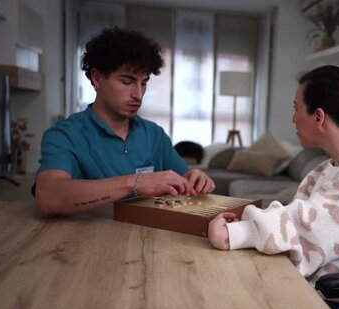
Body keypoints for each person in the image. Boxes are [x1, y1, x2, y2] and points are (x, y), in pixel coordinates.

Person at [207, 65, 339, 284]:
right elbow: (303, 215)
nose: (293, 119)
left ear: (318, 117)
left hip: (336, 297)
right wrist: (246, 224)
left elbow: (312, 233)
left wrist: (235, 234)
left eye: (296, 108)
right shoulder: (330, 167)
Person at [35, 27, 215, 215]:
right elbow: (48, 197)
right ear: (97, 78)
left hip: (148, 238)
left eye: (143, 82)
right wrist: (135, 183)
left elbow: (184, 179)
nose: (138, 94)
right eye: (127, 81)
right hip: (88, 240)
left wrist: (195, 178)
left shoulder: (154, 134)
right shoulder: (65, 134)